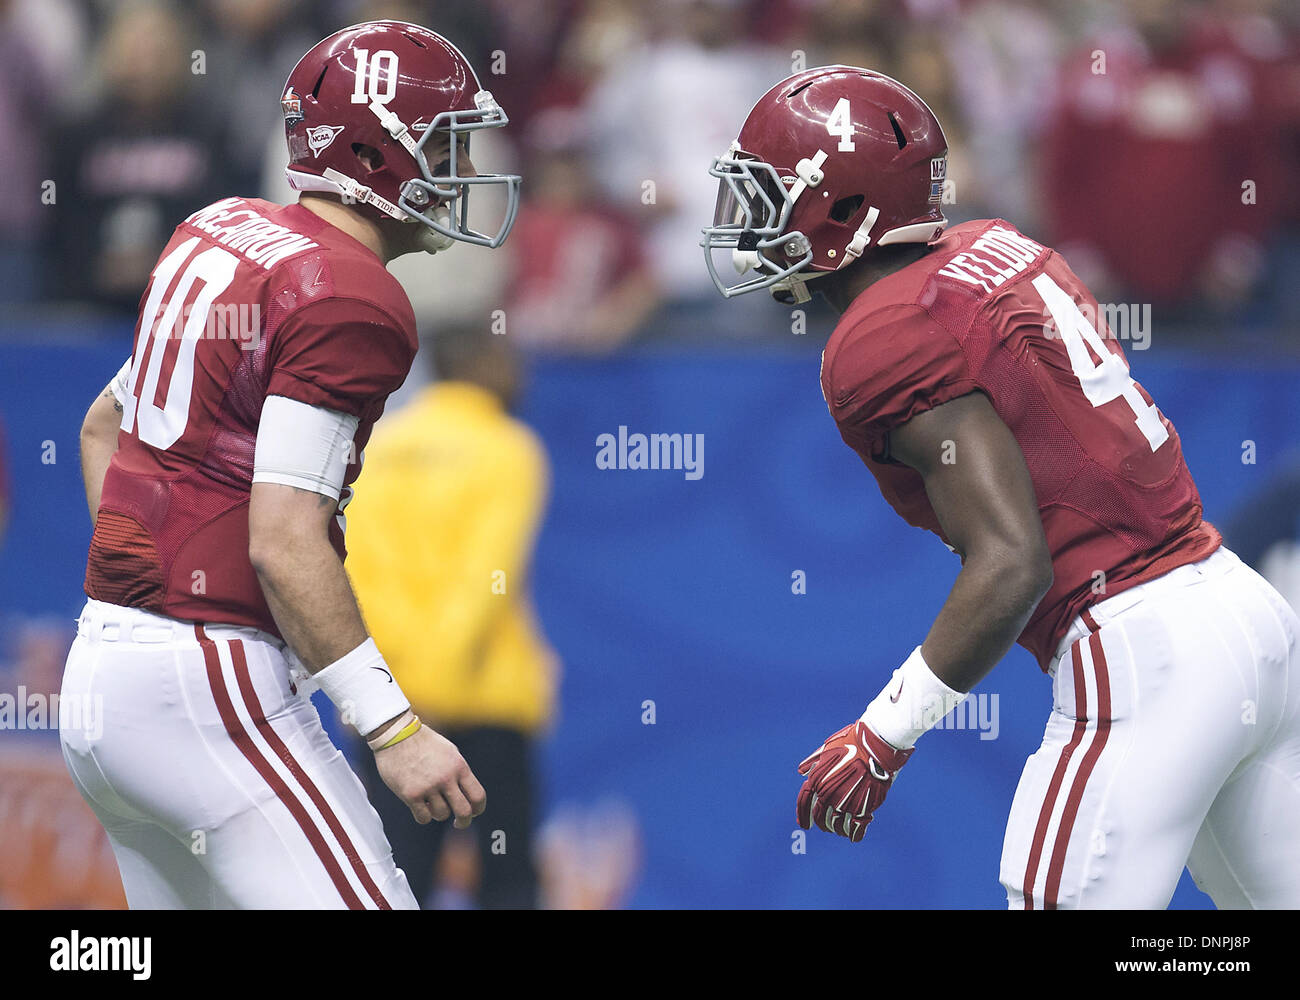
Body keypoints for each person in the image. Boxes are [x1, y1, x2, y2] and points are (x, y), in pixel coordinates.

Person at [702, 65, 1300, 909]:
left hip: (1141, 645)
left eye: (770, 196)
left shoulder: (882, 337)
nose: (750, 222)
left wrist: (884, 734)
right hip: (1245, 614)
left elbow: (1012, 563)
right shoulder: (993, 247)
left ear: (838, 208)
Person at [61, 20, 521, 909]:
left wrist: (145, 603)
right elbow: (282, 537)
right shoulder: (348, 292)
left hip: (100, 674)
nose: (461, 171)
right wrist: (392, 728)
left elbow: (100, 427)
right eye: (445, 144)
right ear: (377, 150)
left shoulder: (217, 228)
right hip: (209, 686)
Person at [346, 325, 558, 908]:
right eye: (511, 360)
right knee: (507, 879)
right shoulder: (506, 447)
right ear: (484, 363)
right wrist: (436, 689)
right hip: (482, 700)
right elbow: (485, 580)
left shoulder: (378, 448)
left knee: (395, 876)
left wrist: (391, 699)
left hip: (389, 704)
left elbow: (352, 574)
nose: (523, 374)